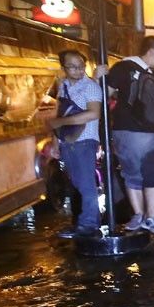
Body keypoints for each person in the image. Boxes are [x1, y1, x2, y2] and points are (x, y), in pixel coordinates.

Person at [102, 35, 154, 235]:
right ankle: (151, 218)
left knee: (132, 174)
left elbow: (104, 94)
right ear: (151, 51)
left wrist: (99, 79)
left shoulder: (122, 68)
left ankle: (139, 215)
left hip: (128, 131)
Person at [46, 50, 103, 239]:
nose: (78, 70)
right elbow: (60, 113)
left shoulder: (91, 87)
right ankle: (84, 222)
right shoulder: (62, 86)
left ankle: (89, 225)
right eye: (72, 67)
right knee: (78, 183)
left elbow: (93, 114)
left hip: (85, 140)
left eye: (81, 66)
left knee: (86, 185)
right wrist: (56, 140)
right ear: (63, 67)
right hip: (68, 141)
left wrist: (61, 124)